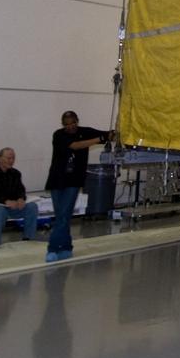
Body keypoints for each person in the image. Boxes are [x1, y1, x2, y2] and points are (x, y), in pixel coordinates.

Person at [43, 111, 110, 263]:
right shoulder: (58, 135)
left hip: (73, 182)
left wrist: (113, 134)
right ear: (63, 125)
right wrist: (98, 139)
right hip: (57, 181)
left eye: (73, 123)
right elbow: (76, 146)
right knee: (62, 216)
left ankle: (53, 248)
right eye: (67, 124)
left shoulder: (85, 132)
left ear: (77, 121)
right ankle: (66, 247)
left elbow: (106, 135)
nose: (70, 126)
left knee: (63, 215)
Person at [0, 147, 40, 246]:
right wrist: (5, 201)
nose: (11, 161)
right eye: (8, 158)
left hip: (10, 206)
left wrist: (21, 198)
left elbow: (20, 190)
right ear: (0, 158)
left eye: (13, 158)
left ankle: (28, 240)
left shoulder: (16, 173)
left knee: (32, 207)